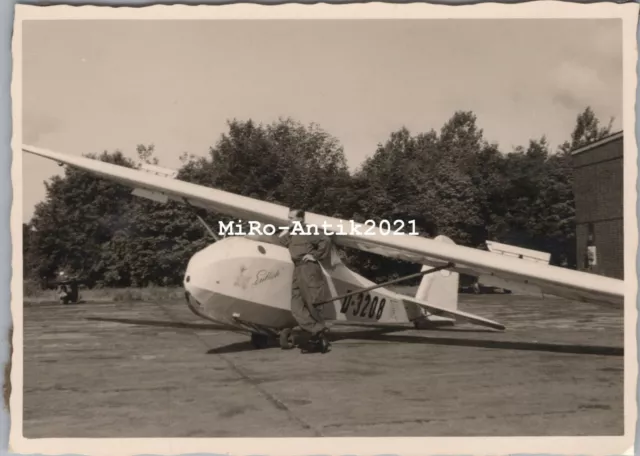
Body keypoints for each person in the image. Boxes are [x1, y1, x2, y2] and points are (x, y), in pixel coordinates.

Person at [282, 208, 333, 353]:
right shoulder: (291, 233)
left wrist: (315, 255)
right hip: (297, 269)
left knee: (312, 303)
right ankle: (317, 330)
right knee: (296, 306)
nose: (289, 220)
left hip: (309, 269)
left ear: (301, 219)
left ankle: (317, 338)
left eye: (292, 218)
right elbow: (280, 240)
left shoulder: (309, 231)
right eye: (288, 218)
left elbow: (326, 240)